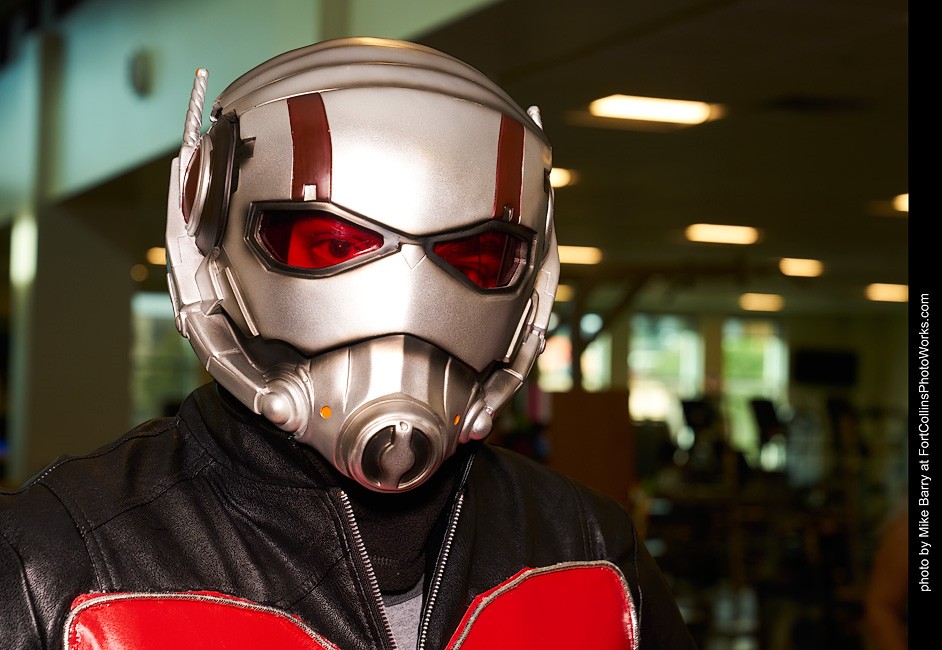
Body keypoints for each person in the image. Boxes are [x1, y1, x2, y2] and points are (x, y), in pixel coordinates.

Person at [0, 37, 697, 649]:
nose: (406, 314)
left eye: (476, 256)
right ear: (206, 239)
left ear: (530, 275)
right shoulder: (55, 563)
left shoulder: (592, 553)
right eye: (331, 245)